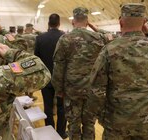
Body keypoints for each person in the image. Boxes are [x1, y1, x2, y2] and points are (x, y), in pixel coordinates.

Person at [89, 3, 148, 140]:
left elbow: (96, 90)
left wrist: (96, 117)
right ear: (145, 23)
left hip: (117, 123)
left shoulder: (109, 50)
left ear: (121, 23)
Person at [51, 7, 107, 140]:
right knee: (89, 125)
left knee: (74, 125)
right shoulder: (99, 38)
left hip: (72, 90)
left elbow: (58, 67)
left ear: (72, 21)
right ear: (87, 21)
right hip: (92, 90)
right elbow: (115, 38)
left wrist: (59, 90)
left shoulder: (65, 39)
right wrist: (96, 28)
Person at [34, 13, 67, 139]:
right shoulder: (65, 37)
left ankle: (50, 130)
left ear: (48, 23)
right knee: (62, 107)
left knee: (48, 107)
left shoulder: (40, 38)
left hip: (46, 77)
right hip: (61, 79)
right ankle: (61, 132)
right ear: (59, 23)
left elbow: (37, 58)